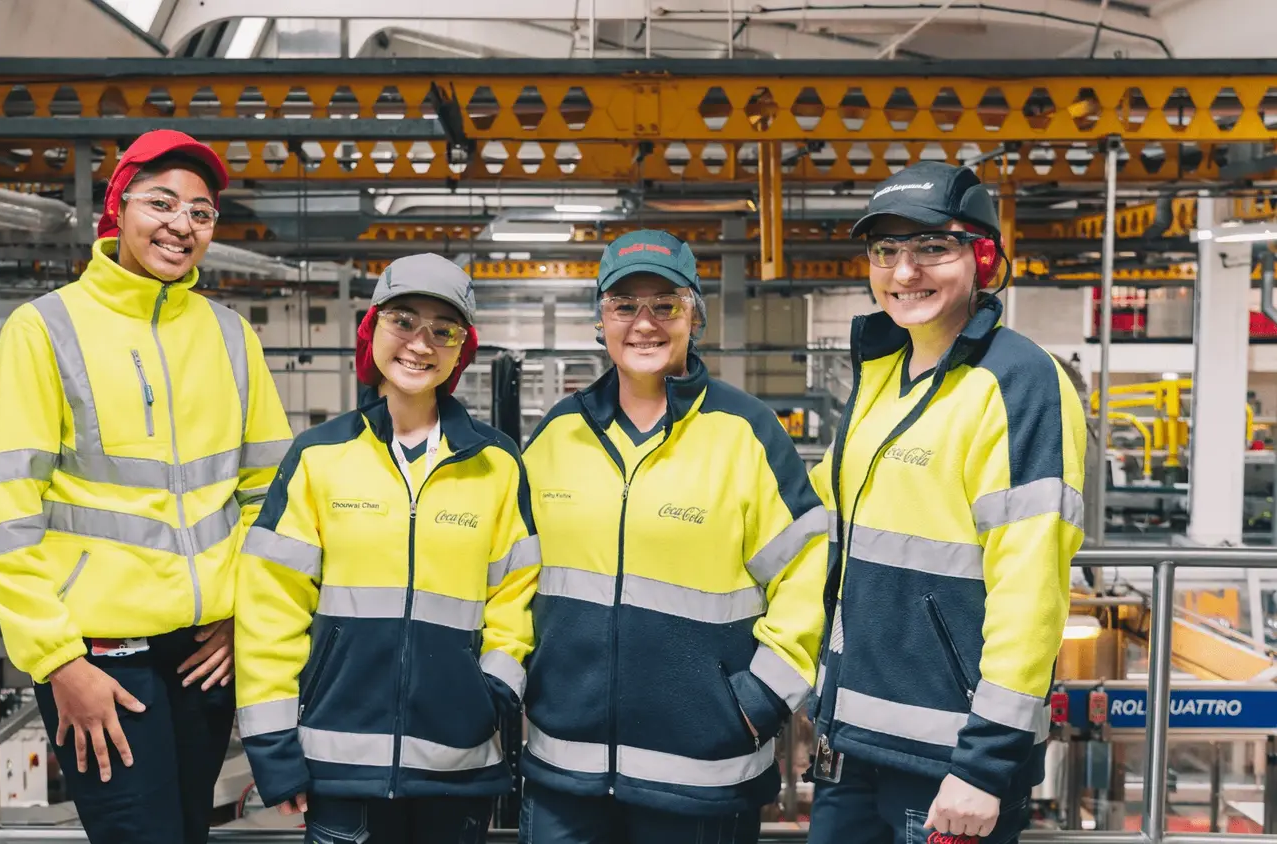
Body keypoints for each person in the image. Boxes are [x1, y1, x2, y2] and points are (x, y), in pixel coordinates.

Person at [0, 130, 292, 844]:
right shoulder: (45, 330)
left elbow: (272, 494)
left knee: (186, 831)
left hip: (206, 652)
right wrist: (57, 663)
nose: (182, 225)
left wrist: (245, 615)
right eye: (162, 202)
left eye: (201, 212)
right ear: (118, 209)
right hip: (100, 656)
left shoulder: (231, 335)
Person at [804, 161, 1088, 844]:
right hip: (854, 745)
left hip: (948, 763)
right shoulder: (885, 374)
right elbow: (823, 519)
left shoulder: (1018, 383)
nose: (905, 272)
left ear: (983, 257)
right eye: (887, 251)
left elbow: (1031, 587)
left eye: (933, 247)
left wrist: (986, 764)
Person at [518, 229, 829, 844]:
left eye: (666, 304)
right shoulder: (559, 434)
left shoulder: (746, 432)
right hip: (566, 771)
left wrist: (757, 702)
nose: (644, 323)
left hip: (704, 774)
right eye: (624, 305)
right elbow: (512, 576)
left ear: (696, 317)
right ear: (601, 320)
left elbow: (808, 571)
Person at [234, 253, 540, 844]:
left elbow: (516, 597)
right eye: (404, 320)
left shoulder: (496, 464)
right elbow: (272, 606)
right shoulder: (318, 457)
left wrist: (490, 695)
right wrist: (272, 746)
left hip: (458, 762)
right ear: (373, 329)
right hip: (339, 766)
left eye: (442, 330)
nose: (420, 344)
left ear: (460, 351)